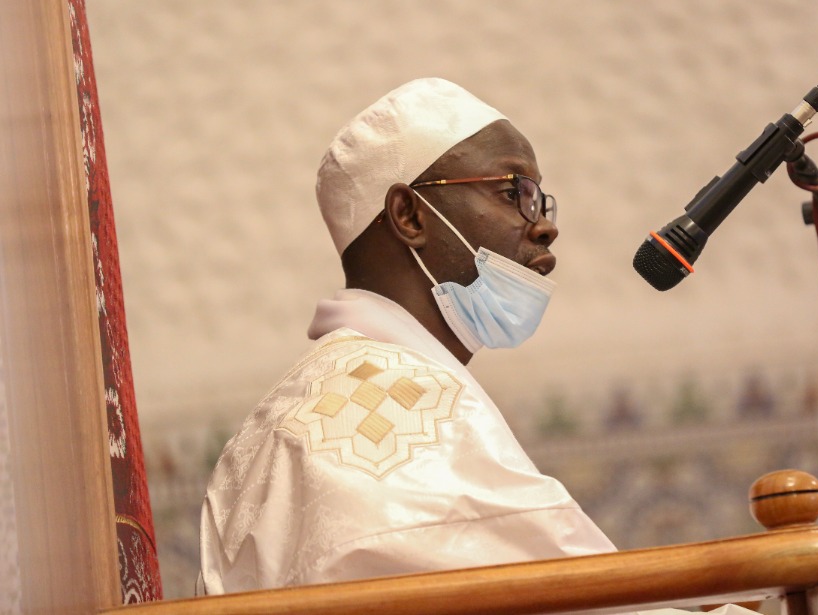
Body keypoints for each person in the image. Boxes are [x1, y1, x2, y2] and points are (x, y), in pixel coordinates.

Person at [198, 78, 618, 593]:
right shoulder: (393, 402)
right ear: (409, 216)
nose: (544, 226)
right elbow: (583, 596)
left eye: (539, 200)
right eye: (514, 193)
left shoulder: (309, 398)